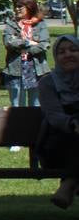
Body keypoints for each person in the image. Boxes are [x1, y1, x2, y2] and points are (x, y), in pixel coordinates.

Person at [2, 0, 49, 151]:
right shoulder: (11, 24)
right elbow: (8, 42)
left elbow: (44, 45)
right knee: (17, 105)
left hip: (36, 69)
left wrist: (23, 47)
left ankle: (36, 137)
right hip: (15, 70)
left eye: (20, 7)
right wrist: (28, 42)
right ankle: (17, 139)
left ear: (30, 7)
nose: (17, 9)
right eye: (16, 6)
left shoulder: (40, 24)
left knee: (36, 105)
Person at [39, 35, 79, 209]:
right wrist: (73, 123)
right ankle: (70, 183)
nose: (68, 54)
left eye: (73, 50)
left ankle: (69, 182)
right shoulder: (48, 82)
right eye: (62, 52)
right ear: (56, 57)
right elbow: (54, 116)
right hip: (57, 143)